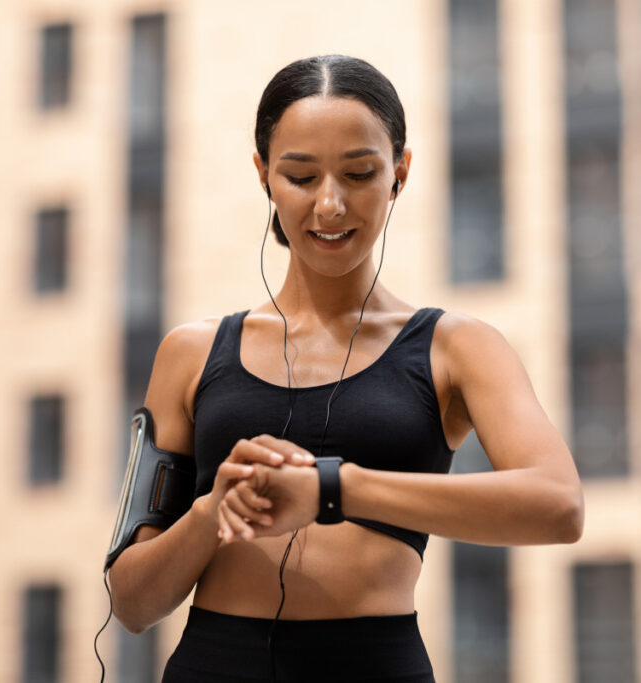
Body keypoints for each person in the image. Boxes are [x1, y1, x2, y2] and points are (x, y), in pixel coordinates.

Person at [106, 55, 584, 682]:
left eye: (359, 173)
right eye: (300, 177)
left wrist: (332, 489)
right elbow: (133, 604)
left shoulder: (458, 347)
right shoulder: (191, 353)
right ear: (264, 176)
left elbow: (558, 505)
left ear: (400, 173)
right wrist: (209, 511)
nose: (330, 205)